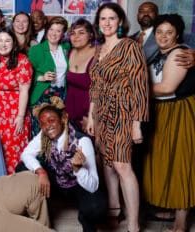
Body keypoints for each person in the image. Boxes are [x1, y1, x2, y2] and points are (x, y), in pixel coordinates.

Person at [85, 3, 149, 232]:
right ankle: (113, 210)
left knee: (123, 166)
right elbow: (95, 85)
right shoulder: (99, 49)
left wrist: (137, 124)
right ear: (98, 23)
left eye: (112, 18)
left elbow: (140, 86)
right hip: (101, 113)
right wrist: (92, 117)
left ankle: (134, 225)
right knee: (108, 164)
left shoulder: (129, 46)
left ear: (120, 21)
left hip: (123, 112)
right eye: (103, 18)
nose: (107, 23)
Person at [20, 96, 106, 232]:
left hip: (77, 187)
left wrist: (78, 169)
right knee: (22, 168)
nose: (48, 126)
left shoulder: (82, 141)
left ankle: (85, 219)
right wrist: (41, 172)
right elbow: (25, 154)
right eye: (43, 123)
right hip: (58, 183)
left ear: (63, 119)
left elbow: (94, 185)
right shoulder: (44, 135)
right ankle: (44, 213)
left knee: (97, 208)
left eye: (51, 120)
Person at [143, 14, 195, 232]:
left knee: (181, 164)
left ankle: (181, 223)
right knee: (166, 162)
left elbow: (167, 87)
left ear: (177, 35)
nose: (163, 36)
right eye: (159, 32)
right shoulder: (158, 52)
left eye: (169, 32)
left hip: (178, 112)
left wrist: (132, 90)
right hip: (163, 111)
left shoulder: (179, 54)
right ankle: (170, 208)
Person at [0, 27, 33, 174]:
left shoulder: (22, 61)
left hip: (15, 113)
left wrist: (20, 117)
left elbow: (24, 91)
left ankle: (15, 189)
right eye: (0, 40)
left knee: (13, 150)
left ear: (14, 43)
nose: (3, 44)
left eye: (7, 40)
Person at [28, 16, 69, 136]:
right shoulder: (37, 50)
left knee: (58, 132)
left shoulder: (66, 48)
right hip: (43, 95)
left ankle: (54, 155)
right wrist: (41, 77)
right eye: (51, 29)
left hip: (60, 96)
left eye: (58, 30)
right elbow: (26, 73)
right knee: (41, 132)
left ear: (63, 34)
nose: (54, 33)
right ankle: (40, 155)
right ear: (47, 31)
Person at [65, 18, 96, 130]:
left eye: (81, 33)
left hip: (89, 113)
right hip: (70, 111)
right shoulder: (68, 53)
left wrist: (91, 116)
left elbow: (102, 89)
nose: (76, 36)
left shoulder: (99, 54)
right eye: (73, 33)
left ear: (91, 35)